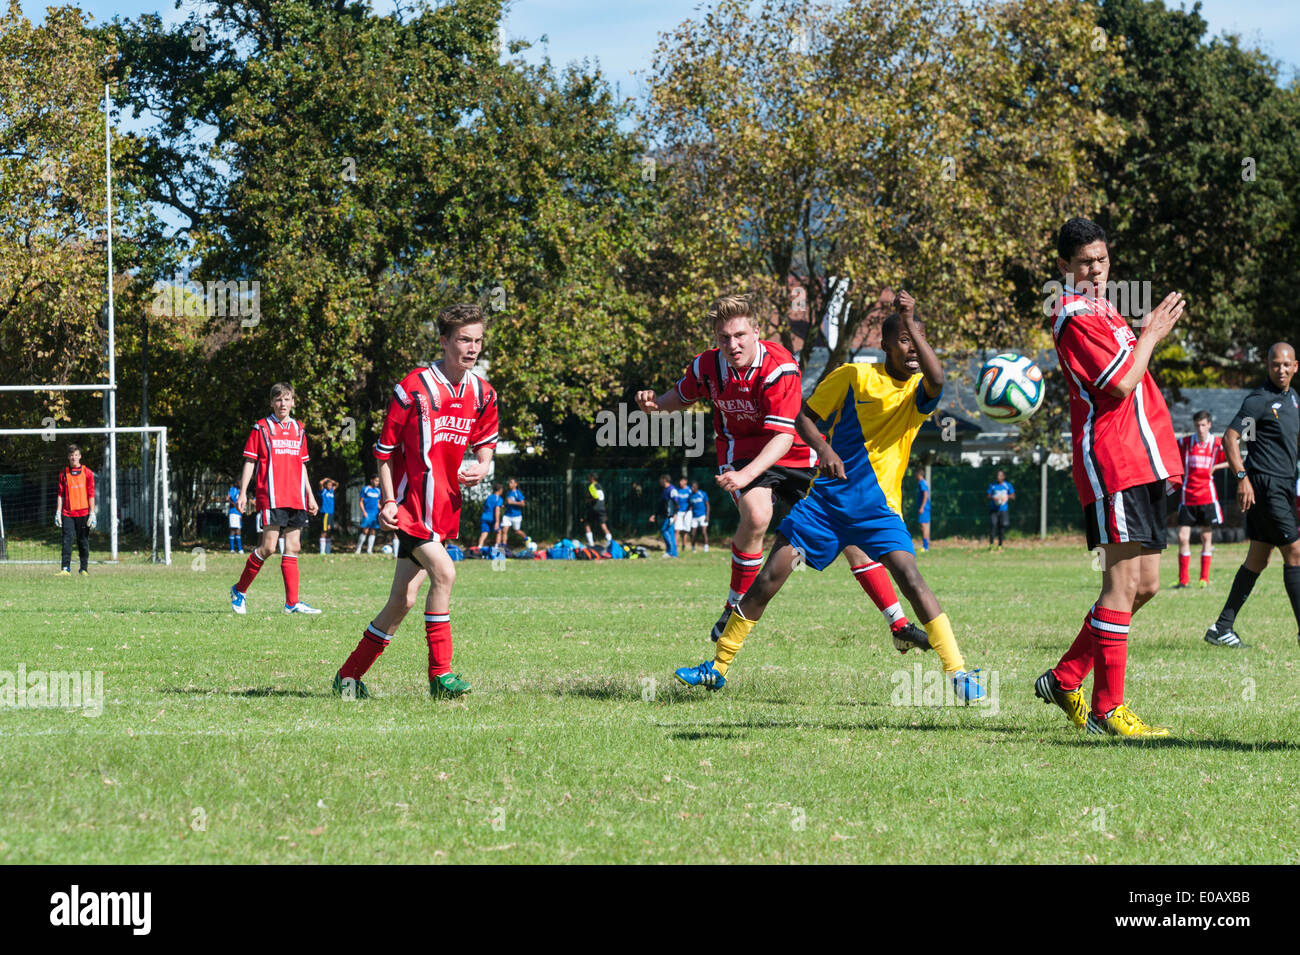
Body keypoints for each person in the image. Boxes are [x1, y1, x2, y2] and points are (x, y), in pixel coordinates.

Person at [673, 290, 979, 697]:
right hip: (826, 505)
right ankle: (718, 666)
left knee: (911, 577)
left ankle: (957, 672)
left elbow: (938, 378)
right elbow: (803, 418)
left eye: (918, 339)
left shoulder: (918, 393)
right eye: (903, 339)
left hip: (878, 511)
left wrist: (910, 320)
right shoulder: (855, 376)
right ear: (884, 345)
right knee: (768, 579)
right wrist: (824, 449)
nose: (912, 349)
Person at [636, 294, 927, 651]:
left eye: (740, 335)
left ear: (756, 332)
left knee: (853, 532)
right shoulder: (707, 367)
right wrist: (655, 406)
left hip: (795, 452)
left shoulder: (779, 366)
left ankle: (898, 624)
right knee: (757, 515)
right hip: (741, 454)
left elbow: (783, 436)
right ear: (715, 339)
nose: (732, 344)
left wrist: (745, 478)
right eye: (724, 337)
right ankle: (734, 605)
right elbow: (681, 396)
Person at [1033, 217, 1184, 737]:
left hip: (1141, 461)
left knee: (1146, 586)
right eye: (1083, 263)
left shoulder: (1103, 308)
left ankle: (1065, 676)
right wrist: (1151, 334)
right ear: (1064, 268)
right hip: (1112, 462)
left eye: (1101, 259)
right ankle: (1107, 708)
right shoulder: (1073, 315)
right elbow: (1120, 384)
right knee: (1120, 586)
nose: (1095, 269)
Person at [333, 303, 499, 699]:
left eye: (477, 340)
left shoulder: (483, 393)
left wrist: (482, 465)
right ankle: (440, 677)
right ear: (444, 341)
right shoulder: (412, 388)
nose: (472, 348)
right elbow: (385, 451)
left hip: (444, 507)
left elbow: (486, 442)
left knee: (402, 601)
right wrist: (389, 500)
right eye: (463, 339)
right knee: (445, 574)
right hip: (411, 508)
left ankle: (348, 677)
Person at [1203, 343, 1300, 649]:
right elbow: (1230, 439)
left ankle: (1221, 627)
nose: (1281, 370)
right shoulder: (1259, 401)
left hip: (1283, 486)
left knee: (1258, 557)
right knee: (1295, 554)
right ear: (1267, 366)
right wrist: (1242, 478)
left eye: (1286, 365)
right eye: (1275, 365)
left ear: (1295, 366)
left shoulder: (1294, 399)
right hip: (1266, 486)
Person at [230, 382, 322, 615]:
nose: (283, 404)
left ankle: (292, 603)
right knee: (269, 547)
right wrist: (242, 492)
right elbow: (250, 461)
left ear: (293, 401)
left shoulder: (299, 429)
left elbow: (301, 466)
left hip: (296, 497)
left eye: (287, 399)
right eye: (278, 400)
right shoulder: (261, 428)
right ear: (272, 403)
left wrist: (310, 495)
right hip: (272, 495)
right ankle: (239, 590)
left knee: (294, 546)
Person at [1173, 411, 1228, 589]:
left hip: (1207, 497)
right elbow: (1169, 452)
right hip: (1187, 496)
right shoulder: (1185, 443)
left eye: (1203, 425)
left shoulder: (1217, 444)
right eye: (1197, 425)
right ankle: (1183, 580)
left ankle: (1204, 578)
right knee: (1182, 537)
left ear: (1209, 425)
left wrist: (1216, 466)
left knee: (1206, 536)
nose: (1200, 428)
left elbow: (1236, 459)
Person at [55, 444, 96, 576]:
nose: (74, 457)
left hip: (84, 513)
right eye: (71, 455)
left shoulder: (87, 473)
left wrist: (92, 513)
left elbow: (91, 494)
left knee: (83, 541)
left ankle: (83, 569)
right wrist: (58, 512)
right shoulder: (63, 474)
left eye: (76, 455)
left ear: (80, 456)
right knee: (67, 540)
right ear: (68, 457)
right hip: (68, 513)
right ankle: (65, 569)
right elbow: (60, 495)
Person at [650, 473, 678, 557]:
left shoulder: (672, 490)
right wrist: (655, 515)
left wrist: (675, 514)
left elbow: (676, 502)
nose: (660, 482)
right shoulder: (664, 490)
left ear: (664, 480)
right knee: (670, 533)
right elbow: (661, 505)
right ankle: (674, 553)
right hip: (666, 515)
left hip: (670, 515)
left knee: (664, 530)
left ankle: (670, 551)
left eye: (660, 480)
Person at [986, 469, 1015, 550]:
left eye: (1000, 475)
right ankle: (991, 545)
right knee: (993, 525)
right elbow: (988, 495)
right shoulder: (992, 485)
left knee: (1002, 527)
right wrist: (994, 498)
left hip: (1003, 509)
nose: (998, 477)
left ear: (1003, 477)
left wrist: (1006, 497)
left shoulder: (1007, 485)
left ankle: (1000, 545)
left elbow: (1013, 496)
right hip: (994, 509)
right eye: (997, 475)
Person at [355, 474, 383, 554]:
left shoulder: (378, 491)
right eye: (376, 480)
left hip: (375, 514)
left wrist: (382, 510)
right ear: (371, 480)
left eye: (378, 481)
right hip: (367, 513)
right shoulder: (365, 489)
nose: (377, 482)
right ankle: (358, 549)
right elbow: (361, 501)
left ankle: (369, 550)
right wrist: (364, 512)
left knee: (373, 531)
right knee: (365, 531)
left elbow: (378, 503)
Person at [583, 473, 612, 547]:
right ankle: (610, 542)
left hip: (594, 508)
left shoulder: (591, 486)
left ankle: (591, 543)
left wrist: (589, 500)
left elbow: (595, 497)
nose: (588, 478)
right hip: (602, 507)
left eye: (589, 477)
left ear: (592, 478)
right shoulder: (600, 486)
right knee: (603, 525)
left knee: (587, 523)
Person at [500, 477, 527, 547]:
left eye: (511, 482)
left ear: (516, 484)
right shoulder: (508, 493)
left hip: (516, 515)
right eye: (509, 482)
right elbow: (508, 503)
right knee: (504, 530)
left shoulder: (518, 493)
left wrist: (513, 502)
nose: (509, 484)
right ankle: (503, 547)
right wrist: (504, 505)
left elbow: (523, 504)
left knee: (516, 531)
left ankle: (527, 539)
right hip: (507, 515)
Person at [477, 484, 503, 550]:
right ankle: (497, 548)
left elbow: (485, 506)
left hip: (485, 516)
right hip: (493, 518)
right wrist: (497, 521)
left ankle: (479, 547)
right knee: (498, 531)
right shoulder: (499, 498)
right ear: (500, 490)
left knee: (484, 532)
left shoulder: (489, 497)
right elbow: (497, 510)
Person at [688, 479, 710, 552]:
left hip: (702, 516)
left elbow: (707, 505)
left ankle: (706, 547)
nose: (692, 488)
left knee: (704, 532)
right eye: (691, 487)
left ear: (697, 487)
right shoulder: (690, 496)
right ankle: (693, 548)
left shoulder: (702, 494)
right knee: (693, 533)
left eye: (693, 487)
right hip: (694, 517)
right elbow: (690, 505)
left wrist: (707, 516)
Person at [673, 476, 692, 554]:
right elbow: (675, 501)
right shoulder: (677, 490)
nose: (680, 483)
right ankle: (675, 547)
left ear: (685, 481)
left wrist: (689, 510)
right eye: (679, 481)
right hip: (679, 512)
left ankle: (683, 546)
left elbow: (692, 500)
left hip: (687, 513)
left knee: (685, 530)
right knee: (677, 530)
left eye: (682, 481)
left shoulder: (689, 490)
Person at [318, 477, 338, 553]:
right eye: (328, 485)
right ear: (325, 485)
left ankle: (328, 551)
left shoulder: (331, 491)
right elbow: (320, 483)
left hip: (331, 513)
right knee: (324, 530)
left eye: (331, 485)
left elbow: (337, 484)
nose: (330, 486)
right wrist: (325, 479)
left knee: (329, 531)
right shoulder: (323, 491)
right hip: (325, 513)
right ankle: (322, 551)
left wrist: (331, 480)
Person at [915, 466, 931, 553]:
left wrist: (922, 507)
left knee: (923, 527)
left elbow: (925, 495)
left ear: (919, 474)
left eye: (916, 474)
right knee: (925, 527)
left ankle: (925, 547)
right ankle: (926, 546)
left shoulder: (922, 483)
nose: (915, 476)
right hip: (926, 508)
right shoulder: (924, 482)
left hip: (924, 508)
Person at [227, 483, 243, 553]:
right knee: (233, 530)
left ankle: (239, 549)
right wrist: (234, 504)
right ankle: (232, 549)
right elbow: (227, 498)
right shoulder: (233, 489)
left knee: (238, 530)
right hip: (233, 512)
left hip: (238, 513)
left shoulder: (240, 490)